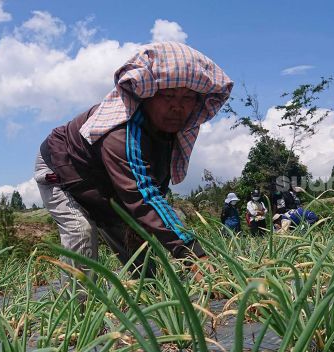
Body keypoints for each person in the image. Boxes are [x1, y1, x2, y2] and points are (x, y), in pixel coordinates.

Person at [34, 42, 233, 278]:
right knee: (82, 232)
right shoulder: (121, 131)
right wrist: (194, 254)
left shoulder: (169, 133)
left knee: (137, 243)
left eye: (188, 97)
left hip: (107, 185)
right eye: (168, 94)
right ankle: (76, 310)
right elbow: (142, 194)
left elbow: (154, 185)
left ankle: (147, 296)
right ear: (147, 95)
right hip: (64, 168)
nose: (177, 106)